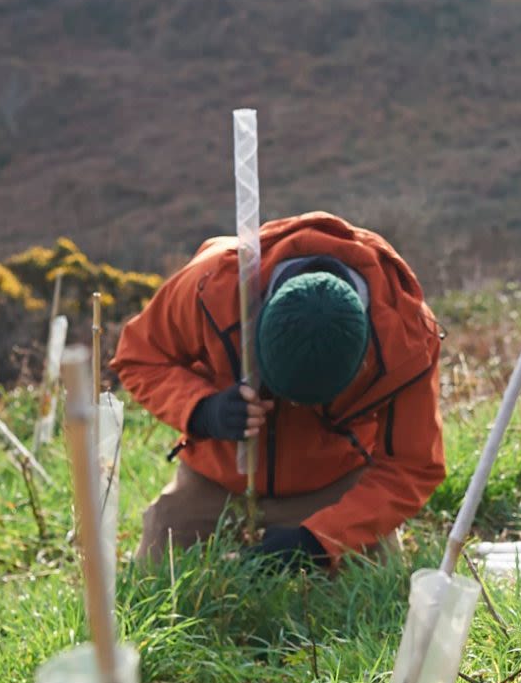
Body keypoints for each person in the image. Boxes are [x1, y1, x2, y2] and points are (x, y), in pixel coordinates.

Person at [111, 212, 446, 569]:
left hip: (333, 486)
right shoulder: (211, 284)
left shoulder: (407, 340)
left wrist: (320, 539)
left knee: (375, 586)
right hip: (216, 481)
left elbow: (413, 465)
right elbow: (138, 356)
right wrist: (202, 409)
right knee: (156, 570)